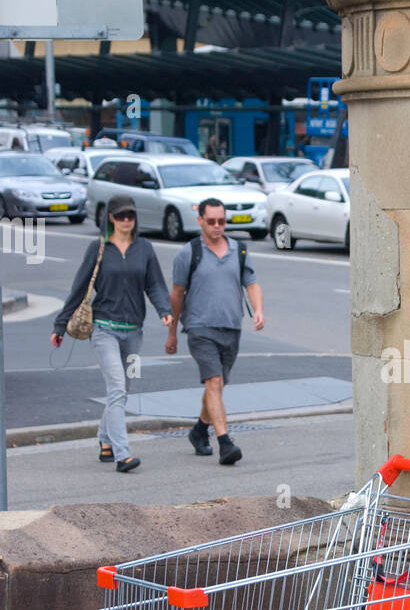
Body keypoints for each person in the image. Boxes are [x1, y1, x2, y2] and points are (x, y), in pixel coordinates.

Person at [51, 194, 172, 472]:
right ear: (111, 218)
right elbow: (80, 288)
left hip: (134, 332)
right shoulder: (98, 248)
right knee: (117, 388)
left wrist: (164, 309)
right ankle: (122, 455)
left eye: (130, 215)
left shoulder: (144, 248)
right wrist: (60, 325)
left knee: (122, 390)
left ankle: (105, 440)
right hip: (104, 329)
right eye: (121, 216)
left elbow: (154, 285)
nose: (126, 220)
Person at [165, 197, 265, 465]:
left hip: (231, 327)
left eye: (222, 221)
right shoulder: (189, 252)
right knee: (215, 383)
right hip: (199, 327)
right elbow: (176, 294)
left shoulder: (239, 250)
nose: (217, 226)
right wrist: (172, 331)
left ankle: (199, 431)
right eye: (211, 221)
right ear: (200, 221)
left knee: (217, 388)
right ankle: (225, 443)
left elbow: (252, 284)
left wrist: (258, 310)